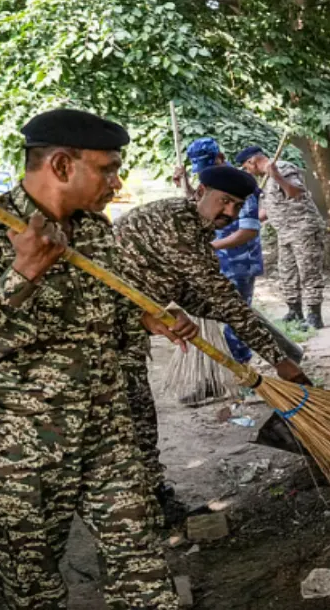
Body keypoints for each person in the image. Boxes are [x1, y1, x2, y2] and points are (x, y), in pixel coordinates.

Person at [0, 108, 181, 608]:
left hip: (106, 434)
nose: (117, 182)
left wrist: (147, 317)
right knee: (33, 591)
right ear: (62, 165)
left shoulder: (93, 229)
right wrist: (21, 274)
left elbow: (103, 311)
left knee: (144, 571)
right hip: (19, 454)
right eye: (108, 169)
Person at [115, 165, 312, 524]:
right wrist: (278, 359)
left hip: (131, 322)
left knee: (138, 414)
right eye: (224, 201)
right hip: (107, 329)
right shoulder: (176, 225)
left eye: (237, 206)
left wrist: (202, 311)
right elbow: (221, 297)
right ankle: (144, 508)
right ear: (200, 191)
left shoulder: (193, 224)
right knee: (132, 417)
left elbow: (196, 296)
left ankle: (152, 498)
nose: (230, 213)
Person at [184, 138, 266, 364]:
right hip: (215, 262)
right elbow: (199, 208)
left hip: (239, 263)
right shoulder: (210, 181)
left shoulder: (241, 185)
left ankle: (242, 369)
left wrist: (209, 247)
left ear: (220, 158)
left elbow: (248, 231)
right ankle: (220, 370)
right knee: (214, 314)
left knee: (237, 318)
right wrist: (185, 185)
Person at [236, 145, 326, 329]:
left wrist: (277, 176)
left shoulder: (282, 168)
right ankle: (295, 311)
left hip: (303, 228)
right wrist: (240, 224)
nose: (248, 172)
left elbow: (296, 193)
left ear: (252, 161)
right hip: (284, 232)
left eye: (246, 167)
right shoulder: (264, 180)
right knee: (287, 272)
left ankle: (314, 315)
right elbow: (268, 211)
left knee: (308, 272)